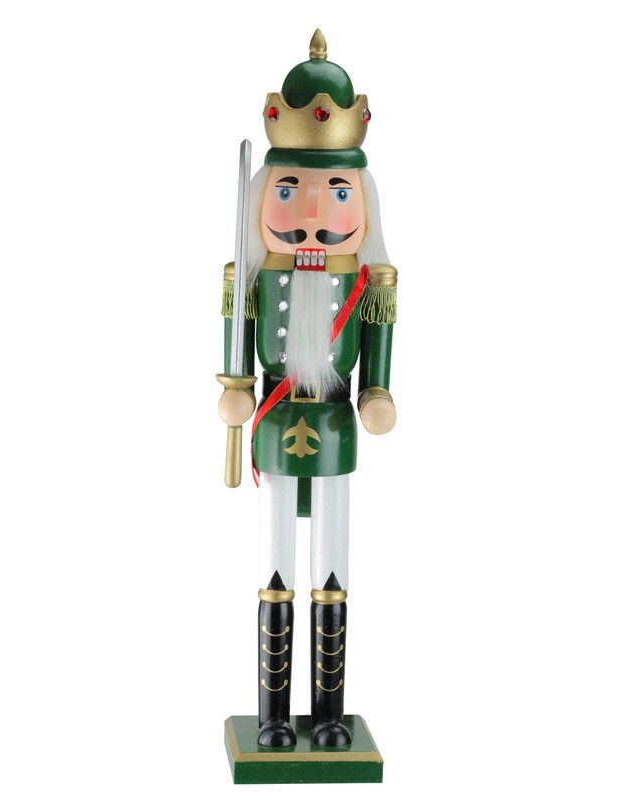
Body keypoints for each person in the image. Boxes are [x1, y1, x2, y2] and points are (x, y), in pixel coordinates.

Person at [218, 29, 397, 748]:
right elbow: (236, 344)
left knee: (332, 565)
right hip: (271, 422)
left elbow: (376, 351)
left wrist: (376, 393)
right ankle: (270, 716)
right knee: (274, 567)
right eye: (289, 191)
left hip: (334, 427)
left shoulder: (368, 282)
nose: (312, 215)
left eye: (336, 193)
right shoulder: (251, 277)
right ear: (264, 196)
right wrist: (236, 388)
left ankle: (327, 715)